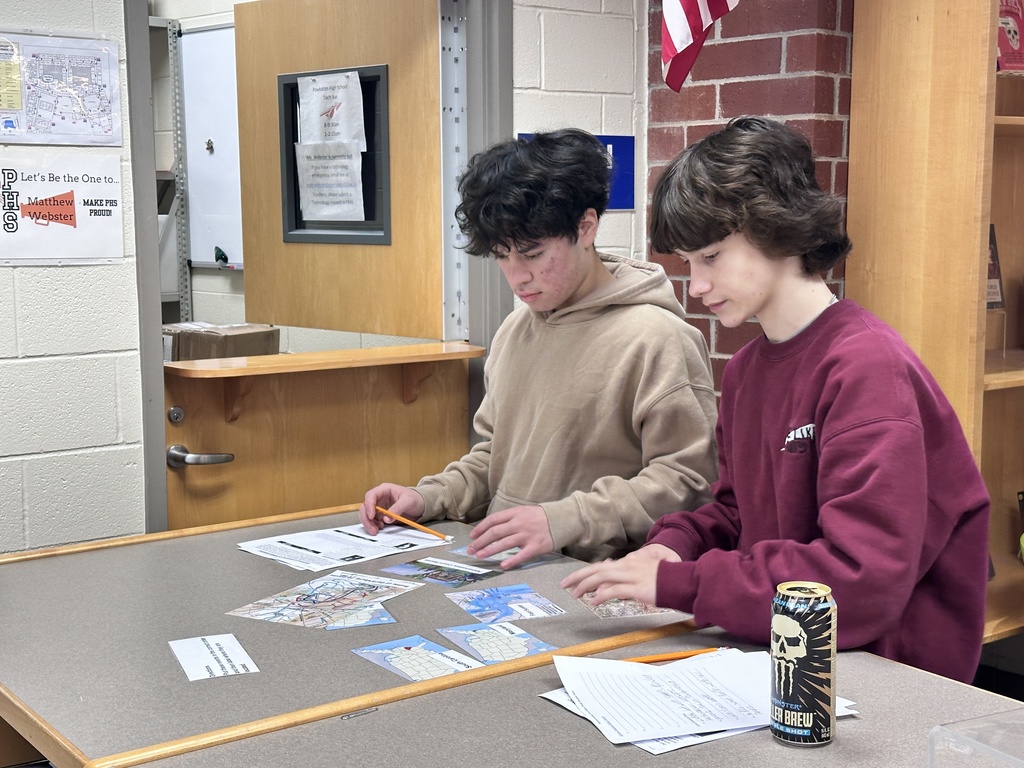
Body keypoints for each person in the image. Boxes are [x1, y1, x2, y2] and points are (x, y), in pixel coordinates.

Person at [562, 117, 991, 683]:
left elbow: (860, 582)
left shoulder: (866, 368)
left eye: (711, 257)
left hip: (890, 674)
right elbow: (741, 514)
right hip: (790, 655)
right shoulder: (743, 371)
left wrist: (684, 586)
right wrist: (672, 547)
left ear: (777, 229)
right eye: (688, 263)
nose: (697, 286)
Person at [360, 128, 719, 570]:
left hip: (593, 579)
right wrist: (427, 495)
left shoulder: (658, 337)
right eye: (502, 256)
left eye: (532, 254)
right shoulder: (515, 331)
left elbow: (690, 482)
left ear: (586, 227)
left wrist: (564, 519)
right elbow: (497, 457)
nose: (517, 277)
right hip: (502, 570)